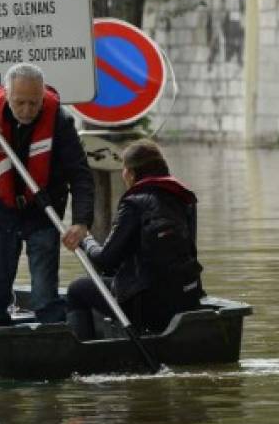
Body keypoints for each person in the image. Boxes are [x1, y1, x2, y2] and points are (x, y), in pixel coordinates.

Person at [0, 63, 94, 325]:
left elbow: (80, 175)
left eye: (34, 103)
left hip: (43, 213)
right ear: (7, 95)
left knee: (45, 298)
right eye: (19, 103)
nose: (27, 111)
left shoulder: (60, 121)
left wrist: (81, 222)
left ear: (43, 96)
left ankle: (53, 347)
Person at [65, 139, 204, 339]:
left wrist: (86, 240)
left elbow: (105, 260)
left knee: (77, 289)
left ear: (130, 173)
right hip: (187, 296)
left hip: (146, 305)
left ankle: (84, 356)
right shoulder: (185, 199)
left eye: (124, 170)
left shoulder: (134, 203)